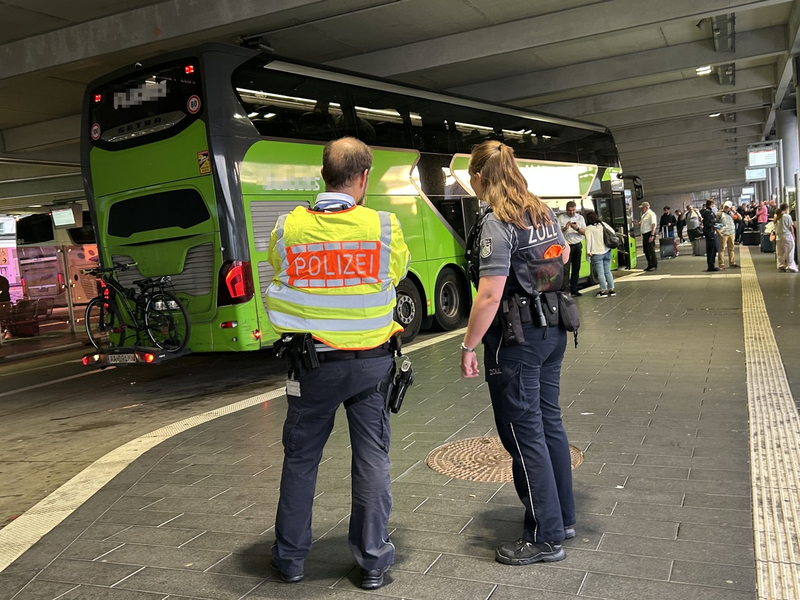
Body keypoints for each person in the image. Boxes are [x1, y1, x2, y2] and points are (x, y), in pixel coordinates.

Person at [264, 137, 410, 590]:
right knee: (371, 459)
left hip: (313, 368)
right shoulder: (384, 227)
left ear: (322, 173)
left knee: (301, 460)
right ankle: (371, 563)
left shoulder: (288, 228)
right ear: (364, 177)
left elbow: (277, 266)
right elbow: (397, 273)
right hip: (370, 365)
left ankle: (289, 560)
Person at [460, 140, 575, 566]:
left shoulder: (497, 221)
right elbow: (562, 253)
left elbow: (489, 294)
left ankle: (545, 537)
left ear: (479, 178)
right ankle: (562, 519)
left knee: (524, 437)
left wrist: (469, 345)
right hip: (553, 329)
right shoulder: (540, 210)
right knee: (550, 425)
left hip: (517, 339)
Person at [557, 201, 586, 297]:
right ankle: (565, 290)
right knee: (565, 269)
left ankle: (574, 289)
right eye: (570, 211)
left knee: (576, 268)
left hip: (577, 244)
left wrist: (577, 228)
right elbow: (557, 233)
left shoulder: (580, 218)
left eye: (573, 210)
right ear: (566, 210)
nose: (572, 212)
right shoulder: (561, 218)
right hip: (566, 246)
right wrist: (565, 228)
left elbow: (585, 232)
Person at [585, 211, 615, 297]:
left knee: (600, 273)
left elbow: (588, 241)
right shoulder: (603, 224)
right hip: (607, 251)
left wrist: (588, 252)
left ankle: (603, 291)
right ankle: (611, 289)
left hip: (596, 253)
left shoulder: (589, 228)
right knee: (607, 271)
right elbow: (612, 231)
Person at [773, 202, 798, 272]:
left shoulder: (776, 216)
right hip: (787, 236)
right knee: (789, 252)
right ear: (786, 208)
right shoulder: (787, 216)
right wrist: (793, 236)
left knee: (780, 252)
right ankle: (791, 267)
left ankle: (781, 266)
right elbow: (791, 227)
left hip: (778, 237)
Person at [716, 201, 738, 269]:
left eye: (728, 207)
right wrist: (719, 233)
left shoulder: (731, 213)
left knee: (731, 249)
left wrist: (735, 211)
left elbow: (740, 218)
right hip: (723, 234)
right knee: (722, 249)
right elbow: (716, 224)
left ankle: (732, 262)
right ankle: (721, 263)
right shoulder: (719, 214)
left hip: (731, 233)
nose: (726, 208)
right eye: (726, 207)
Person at [701, 200, 719, 272]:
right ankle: (711, 265)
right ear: (711, 204)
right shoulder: (708, 213)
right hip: (710, 232)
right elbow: (707, 223)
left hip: (710, 232)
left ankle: (711, 265)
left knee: (712, 249)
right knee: (712, 249)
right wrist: (714, 225)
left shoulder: (708, 212)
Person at [639, 201, 658, 271]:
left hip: (649, 233)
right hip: (645, 234)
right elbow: (642, 224)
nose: (641, 209)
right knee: (646, 250)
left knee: (651, 250)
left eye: (642, 208)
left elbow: (653, 224)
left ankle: (654, 264)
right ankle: (649, 264)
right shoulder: (644, 215)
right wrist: (637, 224)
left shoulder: (651, 214)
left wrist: (652, 235)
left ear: (647, 207)